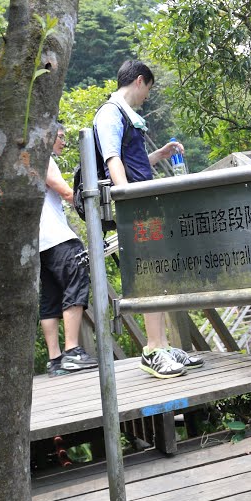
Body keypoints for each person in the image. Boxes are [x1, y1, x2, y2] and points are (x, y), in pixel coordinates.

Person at [94, 60, 204, 379]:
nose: (146, 97)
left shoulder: (127, 116)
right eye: (148, 90)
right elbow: (113, 160)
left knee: (158, 272)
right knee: (150, 275)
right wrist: (128, 200)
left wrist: (162, 154)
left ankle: (163, 344)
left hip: (145, 204)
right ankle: (152, 349)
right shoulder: (111, 113)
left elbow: (135, 162)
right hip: (136, 207)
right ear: (140, 82)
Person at [39, 122, 98, 377]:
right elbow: (65, 191)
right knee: (77, 278)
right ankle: (72, 351)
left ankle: (55, 359)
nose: (63, 142)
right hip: (57, 237)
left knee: (50, 296)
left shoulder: (26, 160)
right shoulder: (44, 159)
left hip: (39, 243)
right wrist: (90, 205)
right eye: (60, 137)